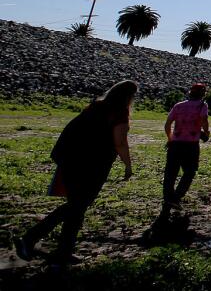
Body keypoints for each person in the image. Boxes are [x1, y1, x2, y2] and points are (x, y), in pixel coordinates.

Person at [16, 80, 137, 264]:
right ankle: (30, 238)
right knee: (76, 206)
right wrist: (128, 165)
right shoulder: (119, 113)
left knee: (76, 207)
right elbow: (119, 141)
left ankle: (64, 251)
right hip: (91, 165)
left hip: (71, 158)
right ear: (129, 97)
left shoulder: (96, 106)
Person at [162, 83, 210, 211]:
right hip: (191, 145)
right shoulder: (202, 106)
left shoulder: (178, 106)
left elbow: (167, 124)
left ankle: (168, 198)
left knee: (170, 172)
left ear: (190, 93)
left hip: (175, 144)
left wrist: (170, 138)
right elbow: (204, 120)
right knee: (189, 172)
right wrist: (206, 132)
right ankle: (176, 197)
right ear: (203, 94)